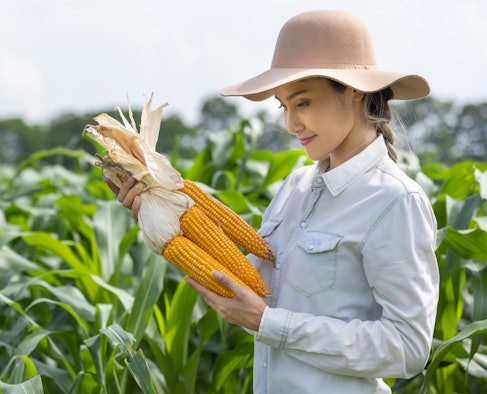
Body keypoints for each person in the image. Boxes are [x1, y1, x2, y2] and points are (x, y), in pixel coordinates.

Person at [107, 10, 439, 393]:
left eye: (302, 103)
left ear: (355, 91)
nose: (290, 124)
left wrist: (272, 325)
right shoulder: (294, 187)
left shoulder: (395, 203)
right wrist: (155, 209)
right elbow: (249, 289)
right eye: (283, 106)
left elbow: (408, 347)